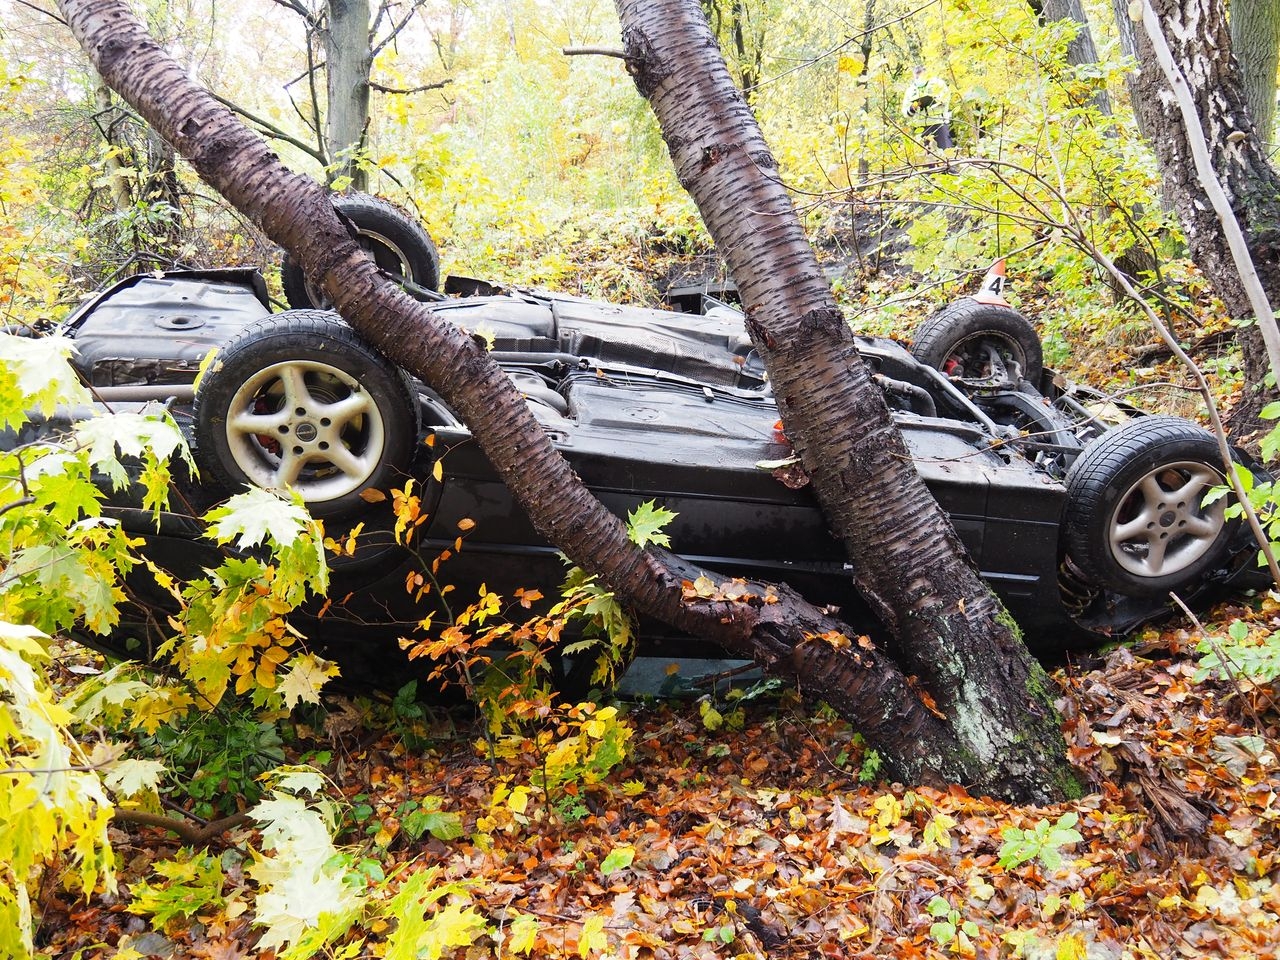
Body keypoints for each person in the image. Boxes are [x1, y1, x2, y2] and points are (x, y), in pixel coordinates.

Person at [901, 66, 953, 150]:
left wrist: (935, 100)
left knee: (945, 152)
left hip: (938, 123)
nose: (918, 78)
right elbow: (905, 111)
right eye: (916, 77)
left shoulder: (937, 84)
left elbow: (946, 98)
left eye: (920, 76)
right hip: (921, 127)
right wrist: (912, 107)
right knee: (927, 158)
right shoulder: (910, 90)